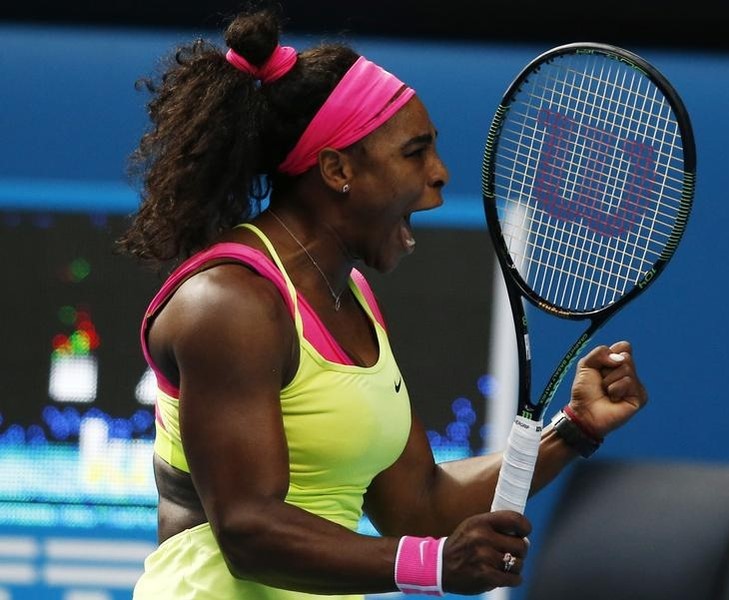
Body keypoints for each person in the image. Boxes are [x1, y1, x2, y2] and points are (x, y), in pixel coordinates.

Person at [119, 7, 648, 599]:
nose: (440, 175)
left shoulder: (351, 297)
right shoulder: (230, 303)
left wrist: (571, 432)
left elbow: (419, 507)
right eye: (414, 152)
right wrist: (433, 563)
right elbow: (249, 531)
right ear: (337, 167)